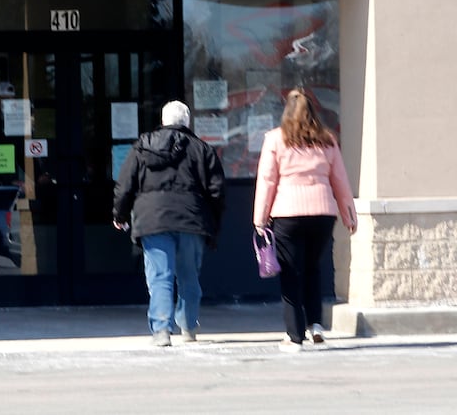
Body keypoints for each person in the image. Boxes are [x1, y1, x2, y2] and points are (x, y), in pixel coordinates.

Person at [112, 100, 226, 347]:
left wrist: (119, 215)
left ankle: (162, 330)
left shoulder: (142, 146)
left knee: (160, 276)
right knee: (188, 276)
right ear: (186, 121)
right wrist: (214, 221)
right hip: (191, 220)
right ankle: (188, 326)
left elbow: (125, 185)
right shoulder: (201, 149)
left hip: (152, 220)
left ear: (163, 121)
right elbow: (217, 190)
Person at [253, 87, 358, 353]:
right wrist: (348, 214)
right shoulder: (327, 139)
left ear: (286, 111)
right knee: (313, 268)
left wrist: (259, 218)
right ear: (313, 112)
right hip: (323, 213)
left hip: (287, 212)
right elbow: (340, 180)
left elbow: (267, 181)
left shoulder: (276, 139)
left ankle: (294, 335)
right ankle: (316, 326)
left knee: (291, 272)